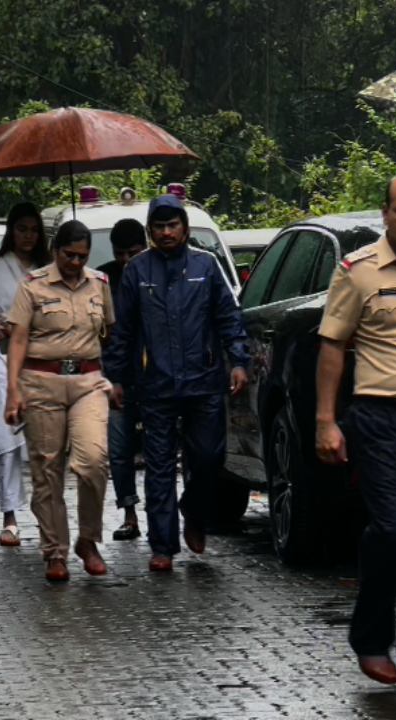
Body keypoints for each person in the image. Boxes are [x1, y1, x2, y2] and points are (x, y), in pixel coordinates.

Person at [103, 195, 249, 573]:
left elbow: (228, 317)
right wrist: (117, 376)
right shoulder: (137, 271)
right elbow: (124, 330)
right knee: (159, 467)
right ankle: (163, 544)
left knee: (209, 459)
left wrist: (238, 361)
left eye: (173, 226)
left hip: (204, 381)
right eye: (159, 227)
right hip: (156, 385)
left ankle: (195, 512)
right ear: (150, 230)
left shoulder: (206, 265)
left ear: (184, 227)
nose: (166, 233)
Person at [316, 171, 396, 688]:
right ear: (386, 214)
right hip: (377, 418)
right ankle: (371, 638)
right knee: (394, 531)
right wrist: (326, 421)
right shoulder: (359, 271)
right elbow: (332, 346)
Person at [3, 219, 112, 581]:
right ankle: (55, 551)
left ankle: (88, 539)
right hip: (41, 381)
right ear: (55, 250)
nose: (76, 263)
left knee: (94, 460)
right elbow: (17, 340)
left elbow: (109, 333)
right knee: (47, 469)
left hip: (87, 381)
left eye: (82, 256)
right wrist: (13, 391)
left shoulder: (99, 284)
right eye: (69, 255)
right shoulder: (32, 287)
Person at [0, 203, 51, 548]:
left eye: (33, 230)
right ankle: (10, 516)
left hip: (42, 362)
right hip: (0, 362)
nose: (28, 236)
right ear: (11, 231)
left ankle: (48, 514)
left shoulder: (50, 269)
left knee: (46, 441)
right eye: (22, 229)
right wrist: (0, 327)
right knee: (6, 441)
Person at [96, 219, 148, 540]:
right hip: (116, 376)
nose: (126, 260)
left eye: (133, 252)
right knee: (118, 449)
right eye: (120, 254)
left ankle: (161, 512)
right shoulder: (102, 278)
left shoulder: (156, 272)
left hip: (156, 378)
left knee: (161, 449)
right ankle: (129, 514)